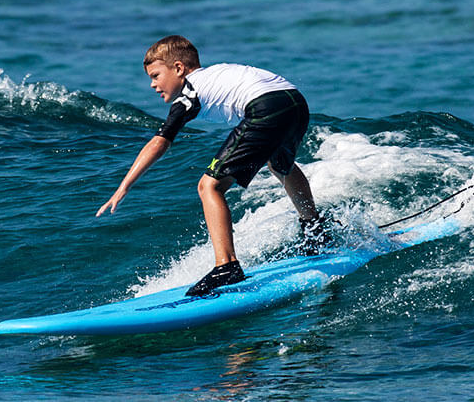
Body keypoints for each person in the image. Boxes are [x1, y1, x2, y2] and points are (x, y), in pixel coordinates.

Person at [96, 35, 329, 297]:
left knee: (209, 186)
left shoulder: (190, 92)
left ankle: (226, 265)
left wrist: (123, 187)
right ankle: (315, 229)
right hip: (295, 101)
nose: (152, 85)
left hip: (265, 106)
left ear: (178, 69)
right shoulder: (215, 73)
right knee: (279, 166)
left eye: (156, 75)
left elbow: (160, 143)